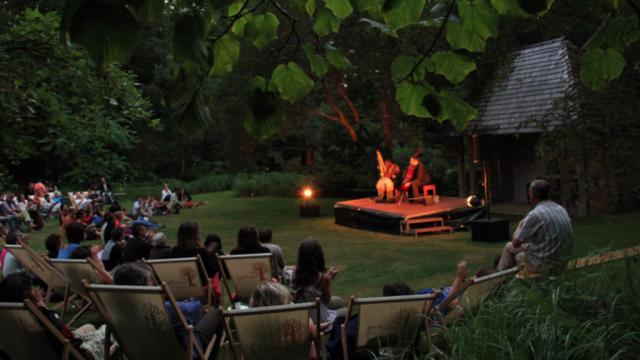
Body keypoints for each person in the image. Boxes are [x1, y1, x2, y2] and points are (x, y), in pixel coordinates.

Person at [112, 263, 223, 358]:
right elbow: (195, 310)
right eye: (150, 281)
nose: (152, 283)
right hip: (181, 354)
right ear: (143, 286)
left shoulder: (116, 312)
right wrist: (192, 301)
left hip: (143, 354)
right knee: (215, 313)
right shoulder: (160, 309)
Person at [0, 273, 108, 359]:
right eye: (32, 288)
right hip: (70, 353)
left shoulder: (7, 319)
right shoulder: (41, 316)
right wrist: (44, 309)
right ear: (29, 294)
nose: (36, 291)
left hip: (36, 353)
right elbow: (66, 338)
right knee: (109, 332)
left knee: (89, 327)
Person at [497, 179, 573, 274]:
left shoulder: (535, 215)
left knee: (517, 255)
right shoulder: (561, 209)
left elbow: (516, 243)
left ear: (533, 195)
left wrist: (520, 226)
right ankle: (499, 275)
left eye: (529, 193)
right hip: (562, 260)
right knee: (508, 247)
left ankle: (498, 281)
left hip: (545, 264)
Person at [293, 237, 345, 331]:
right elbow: (326, 300)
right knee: (345, 311)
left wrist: (327, 279)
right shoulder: (322, 277)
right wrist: (328, 280)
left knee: (340, 301)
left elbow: (309, 289)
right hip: (318, 319)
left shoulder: (295, 272)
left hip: (304, 312)